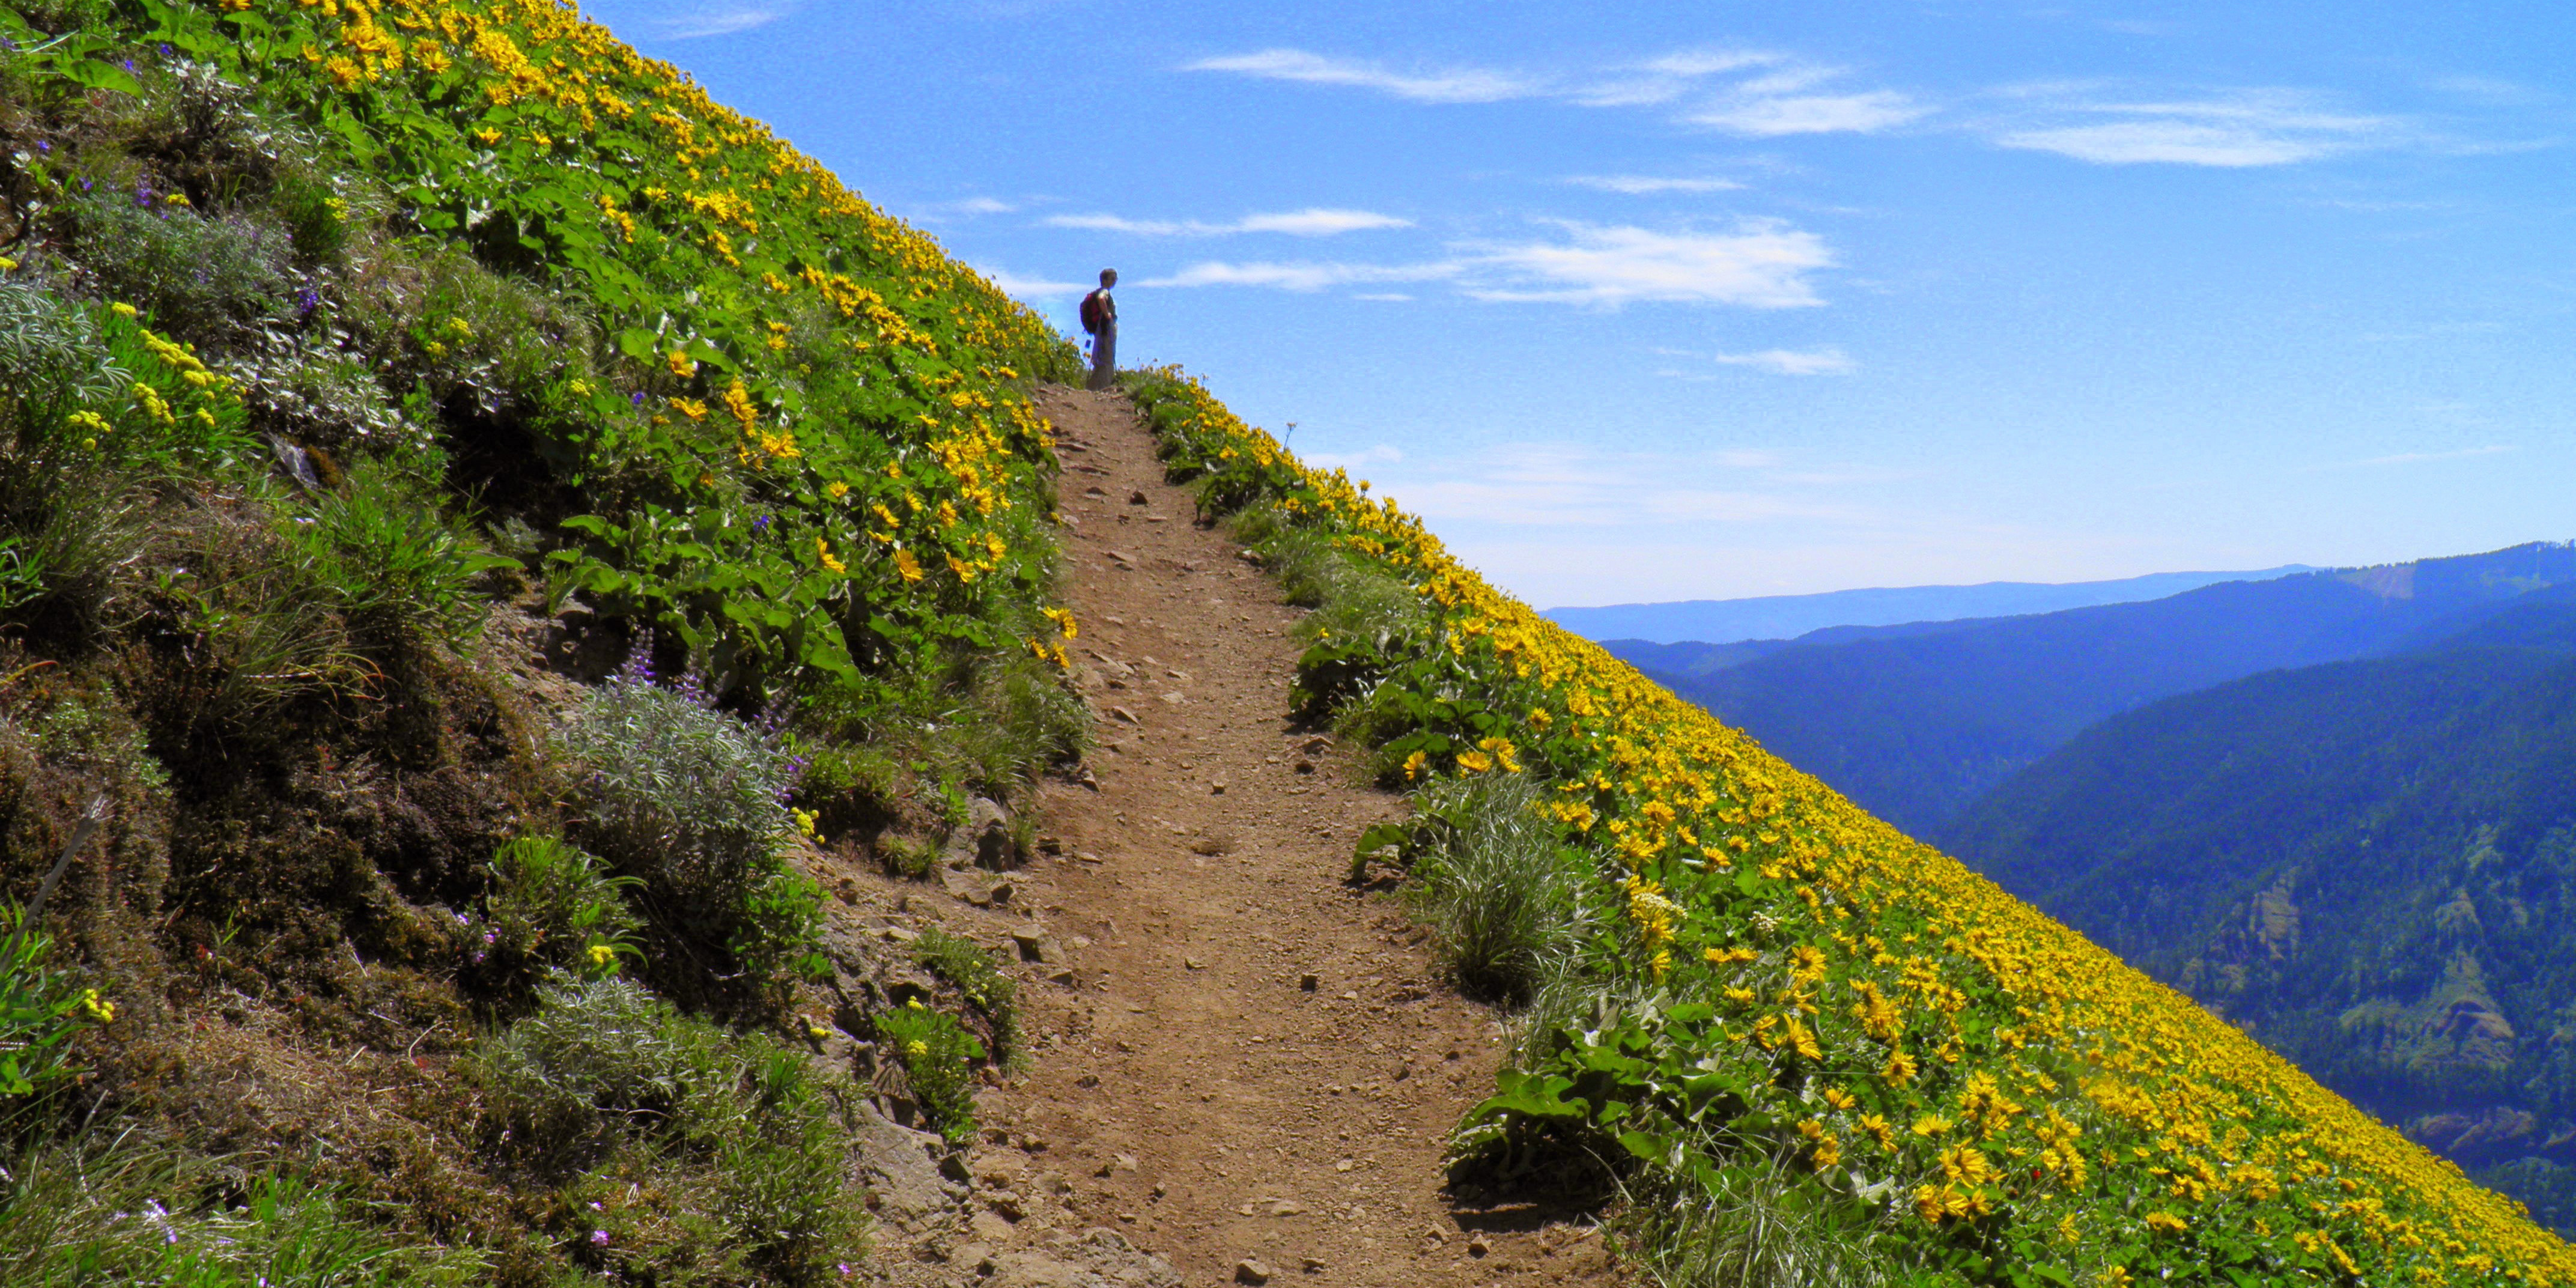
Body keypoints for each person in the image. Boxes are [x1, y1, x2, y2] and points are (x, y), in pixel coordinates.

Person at [1080, 269, 1117, 390]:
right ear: (1105, 280)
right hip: (1105, 330)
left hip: (1100, 331)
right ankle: (1103, 388)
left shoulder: (1100, 292)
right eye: (1112, 278)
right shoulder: (1104, 292)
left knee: (1100, 359)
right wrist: (1108, 315)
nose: (1115, 281)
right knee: (1107, 359)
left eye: (1115, 278)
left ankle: (1092, 389)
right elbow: (1101, 299)